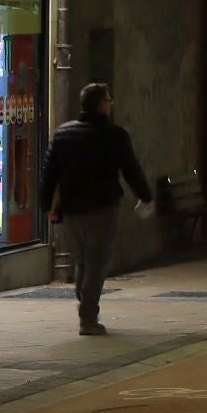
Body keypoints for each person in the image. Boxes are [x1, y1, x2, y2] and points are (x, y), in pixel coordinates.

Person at [39, 83, 153, 335]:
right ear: (102, 104)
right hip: (103, 207)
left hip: (72, 209)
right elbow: (131, 169)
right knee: (97, 262)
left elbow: (50, 172)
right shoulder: (115, 135)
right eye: (109, 101)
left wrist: (47, 205)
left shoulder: (63, 134)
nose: (111, 105)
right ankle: (88, 317)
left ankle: (85, 297)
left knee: (84, 259)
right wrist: (145, 196)